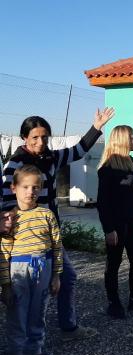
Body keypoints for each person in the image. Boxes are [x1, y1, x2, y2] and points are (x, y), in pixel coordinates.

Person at [1, 108, 114, 341]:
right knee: (22, 289)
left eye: (44, 137)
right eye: (35, 137)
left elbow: (79, 151)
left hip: (50, 232)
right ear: (24, 138)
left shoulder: (51, 158)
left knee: (66, 277)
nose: (40, 142)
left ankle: (66, 328)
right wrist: (7, 226)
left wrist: (97, 127)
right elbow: (5, 201)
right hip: (24, 238)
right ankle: (23, 339)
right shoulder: (15, 165)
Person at [0, 165, 62, 355]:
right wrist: (5, 285)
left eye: (35, 187)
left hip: (44, 268)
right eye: (25, 187)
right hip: (18, 270)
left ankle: (35, 352)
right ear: (14, 188)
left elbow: (57, 247)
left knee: (38, 314)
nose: (30, 191)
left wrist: (56, 276)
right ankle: (14, 354)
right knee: (17, 315)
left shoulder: (47, 215)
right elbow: (4, 252)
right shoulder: (9, 218)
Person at [97, 125, 133, 319]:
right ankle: (114, 303)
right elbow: (102, 203)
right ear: (121, 140)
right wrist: (108, 229)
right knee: (113, 263)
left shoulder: (131, 163)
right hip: (116, 225)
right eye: (132, 138)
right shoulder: (107, 169)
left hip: (132, 222)